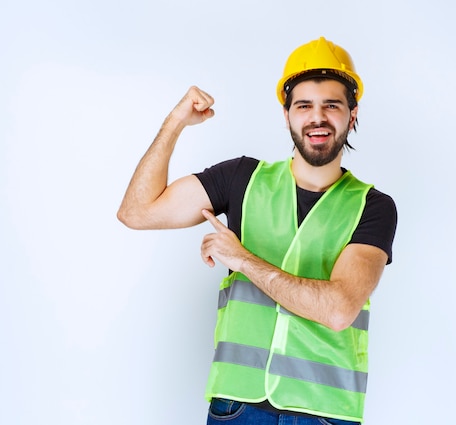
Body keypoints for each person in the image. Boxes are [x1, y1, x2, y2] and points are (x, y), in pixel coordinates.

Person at [117, 36, 397, 425]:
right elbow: (137, 212)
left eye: (331, 105)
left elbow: (338, 310)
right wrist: (176, 121)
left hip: (324, 415)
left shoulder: (373, 207)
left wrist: (242, 259)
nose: (317, 117)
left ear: (352, 115)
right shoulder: (241, 179)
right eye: (304, 106)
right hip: (236, 409)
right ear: (287, 116)